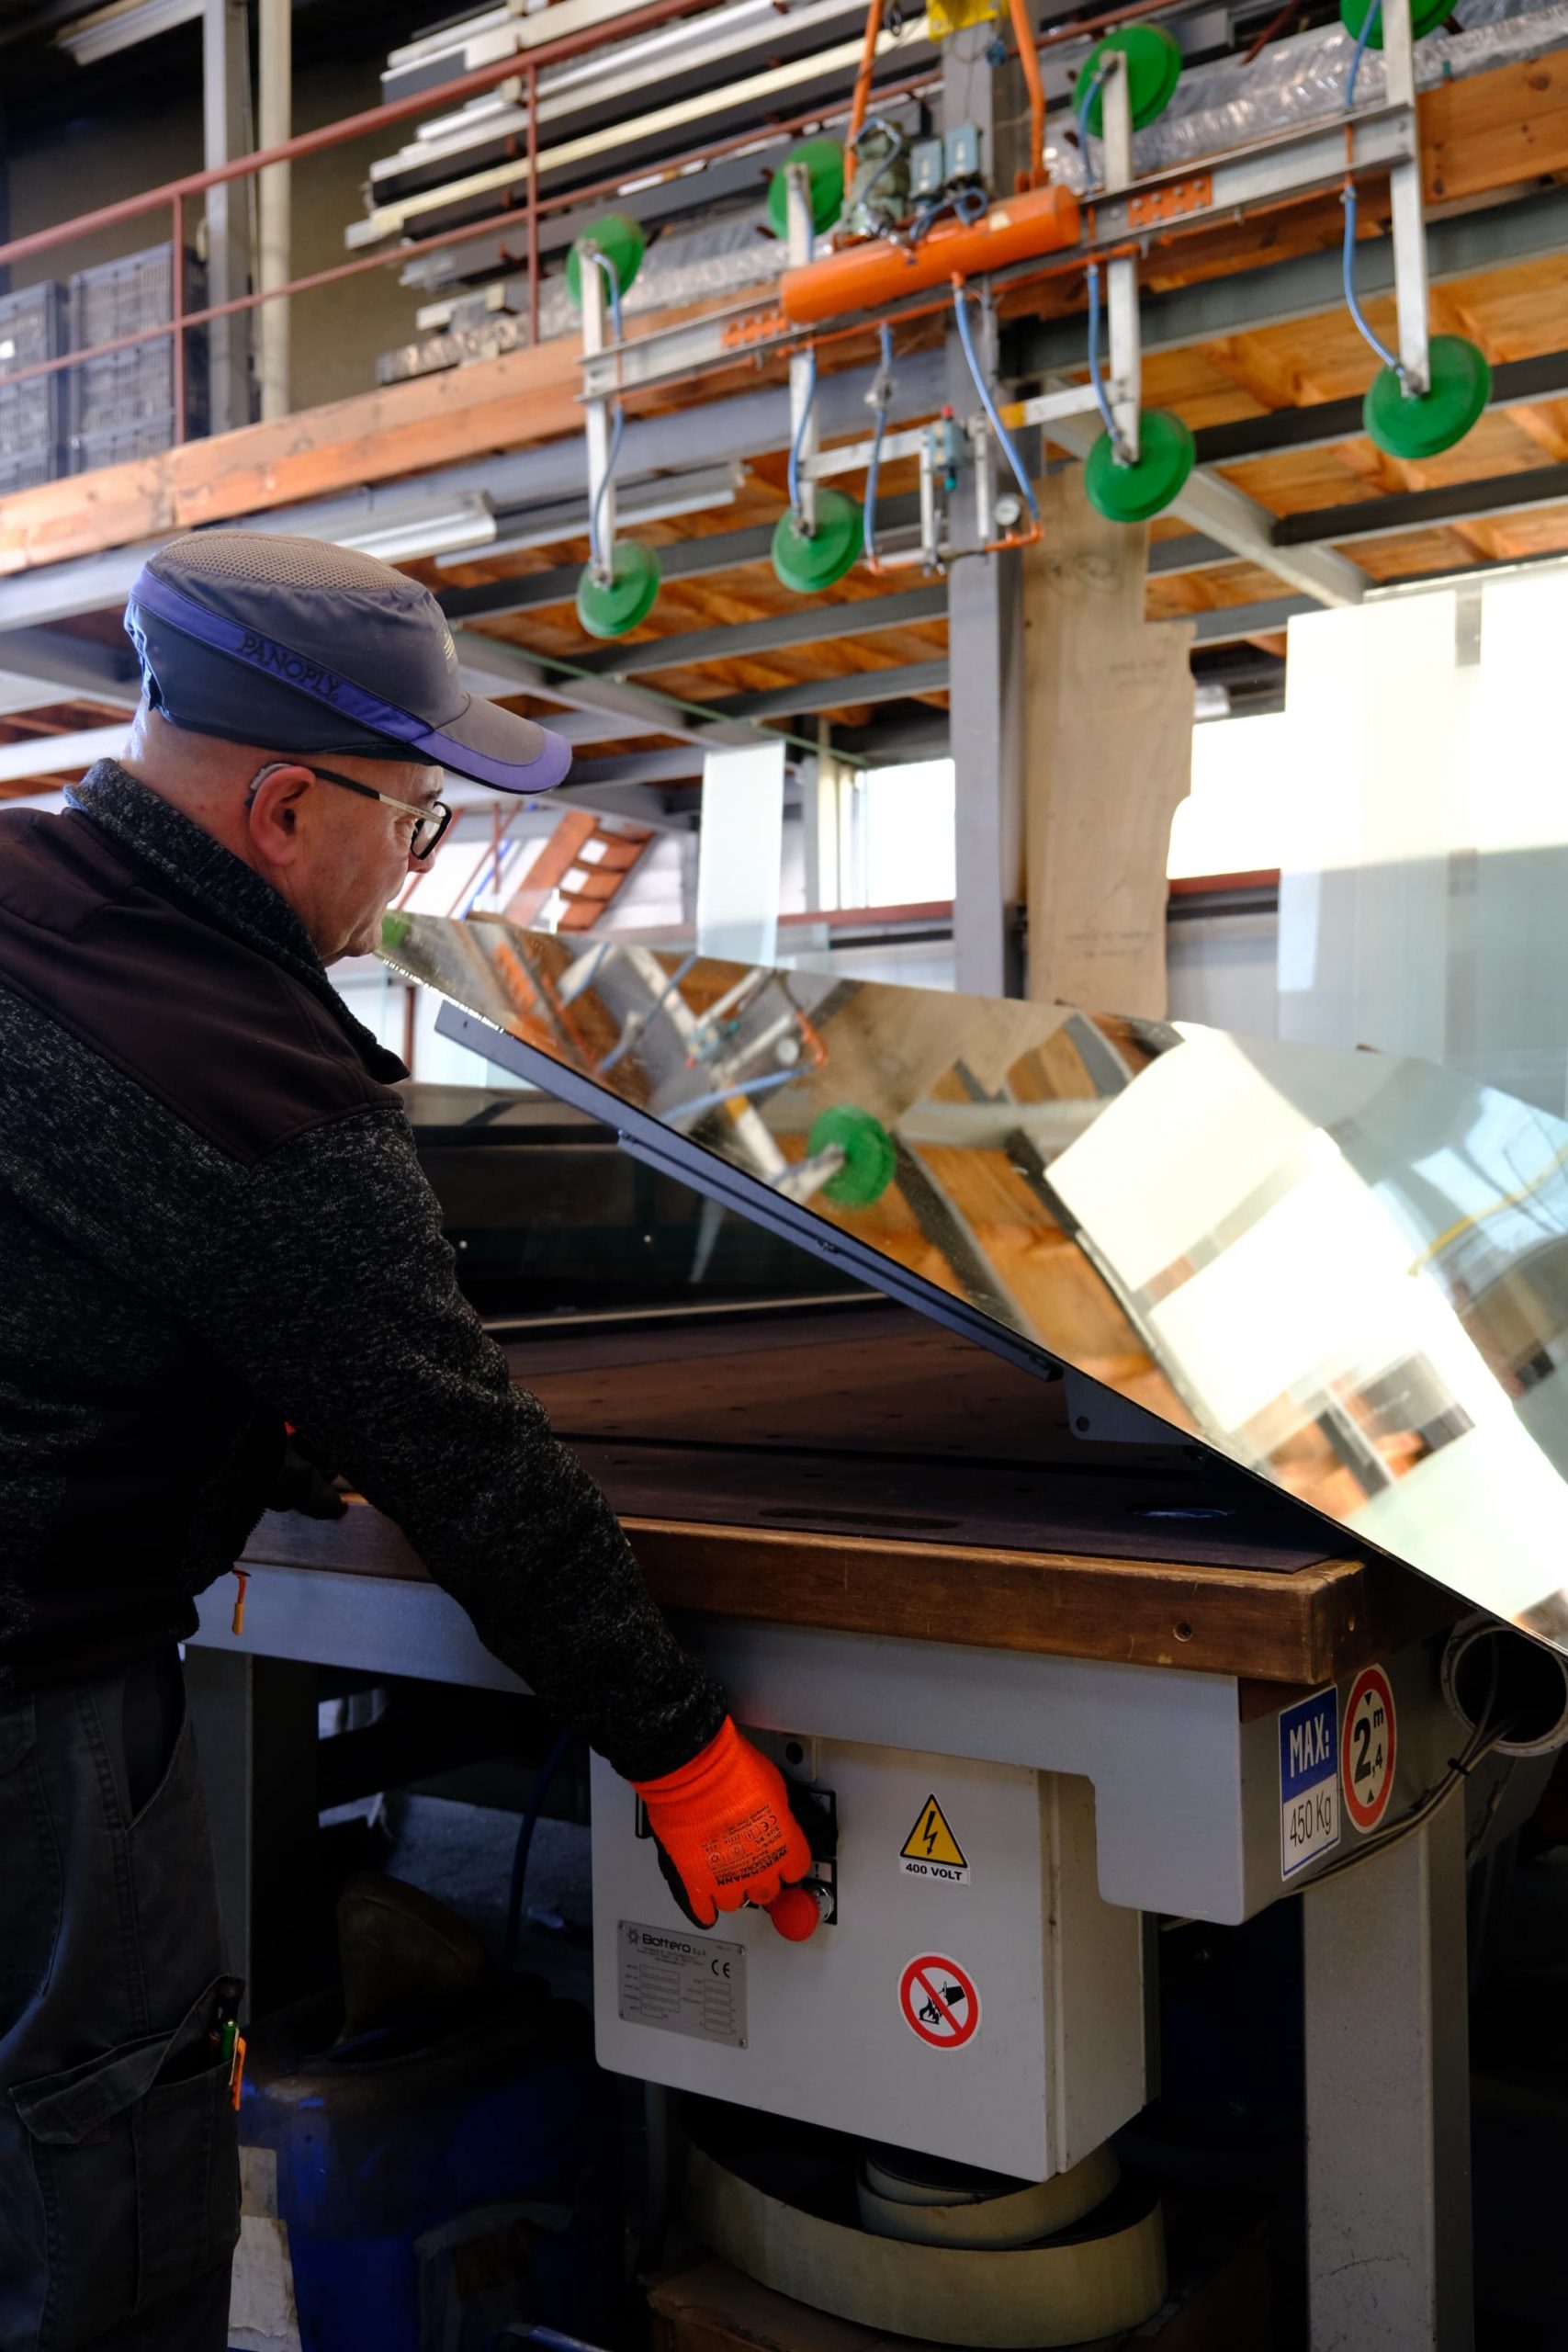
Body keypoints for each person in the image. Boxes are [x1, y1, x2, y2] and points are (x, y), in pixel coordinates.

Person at [0, 529, 813, 2351]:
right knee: (99, 2170)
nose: (415, 859)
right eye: (414, 814)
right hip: (31, 1717)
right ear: (285, 804)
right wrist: (677, 1747)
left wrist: (243, 1422)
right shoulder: (252, 1067)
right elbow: (472, 1466)